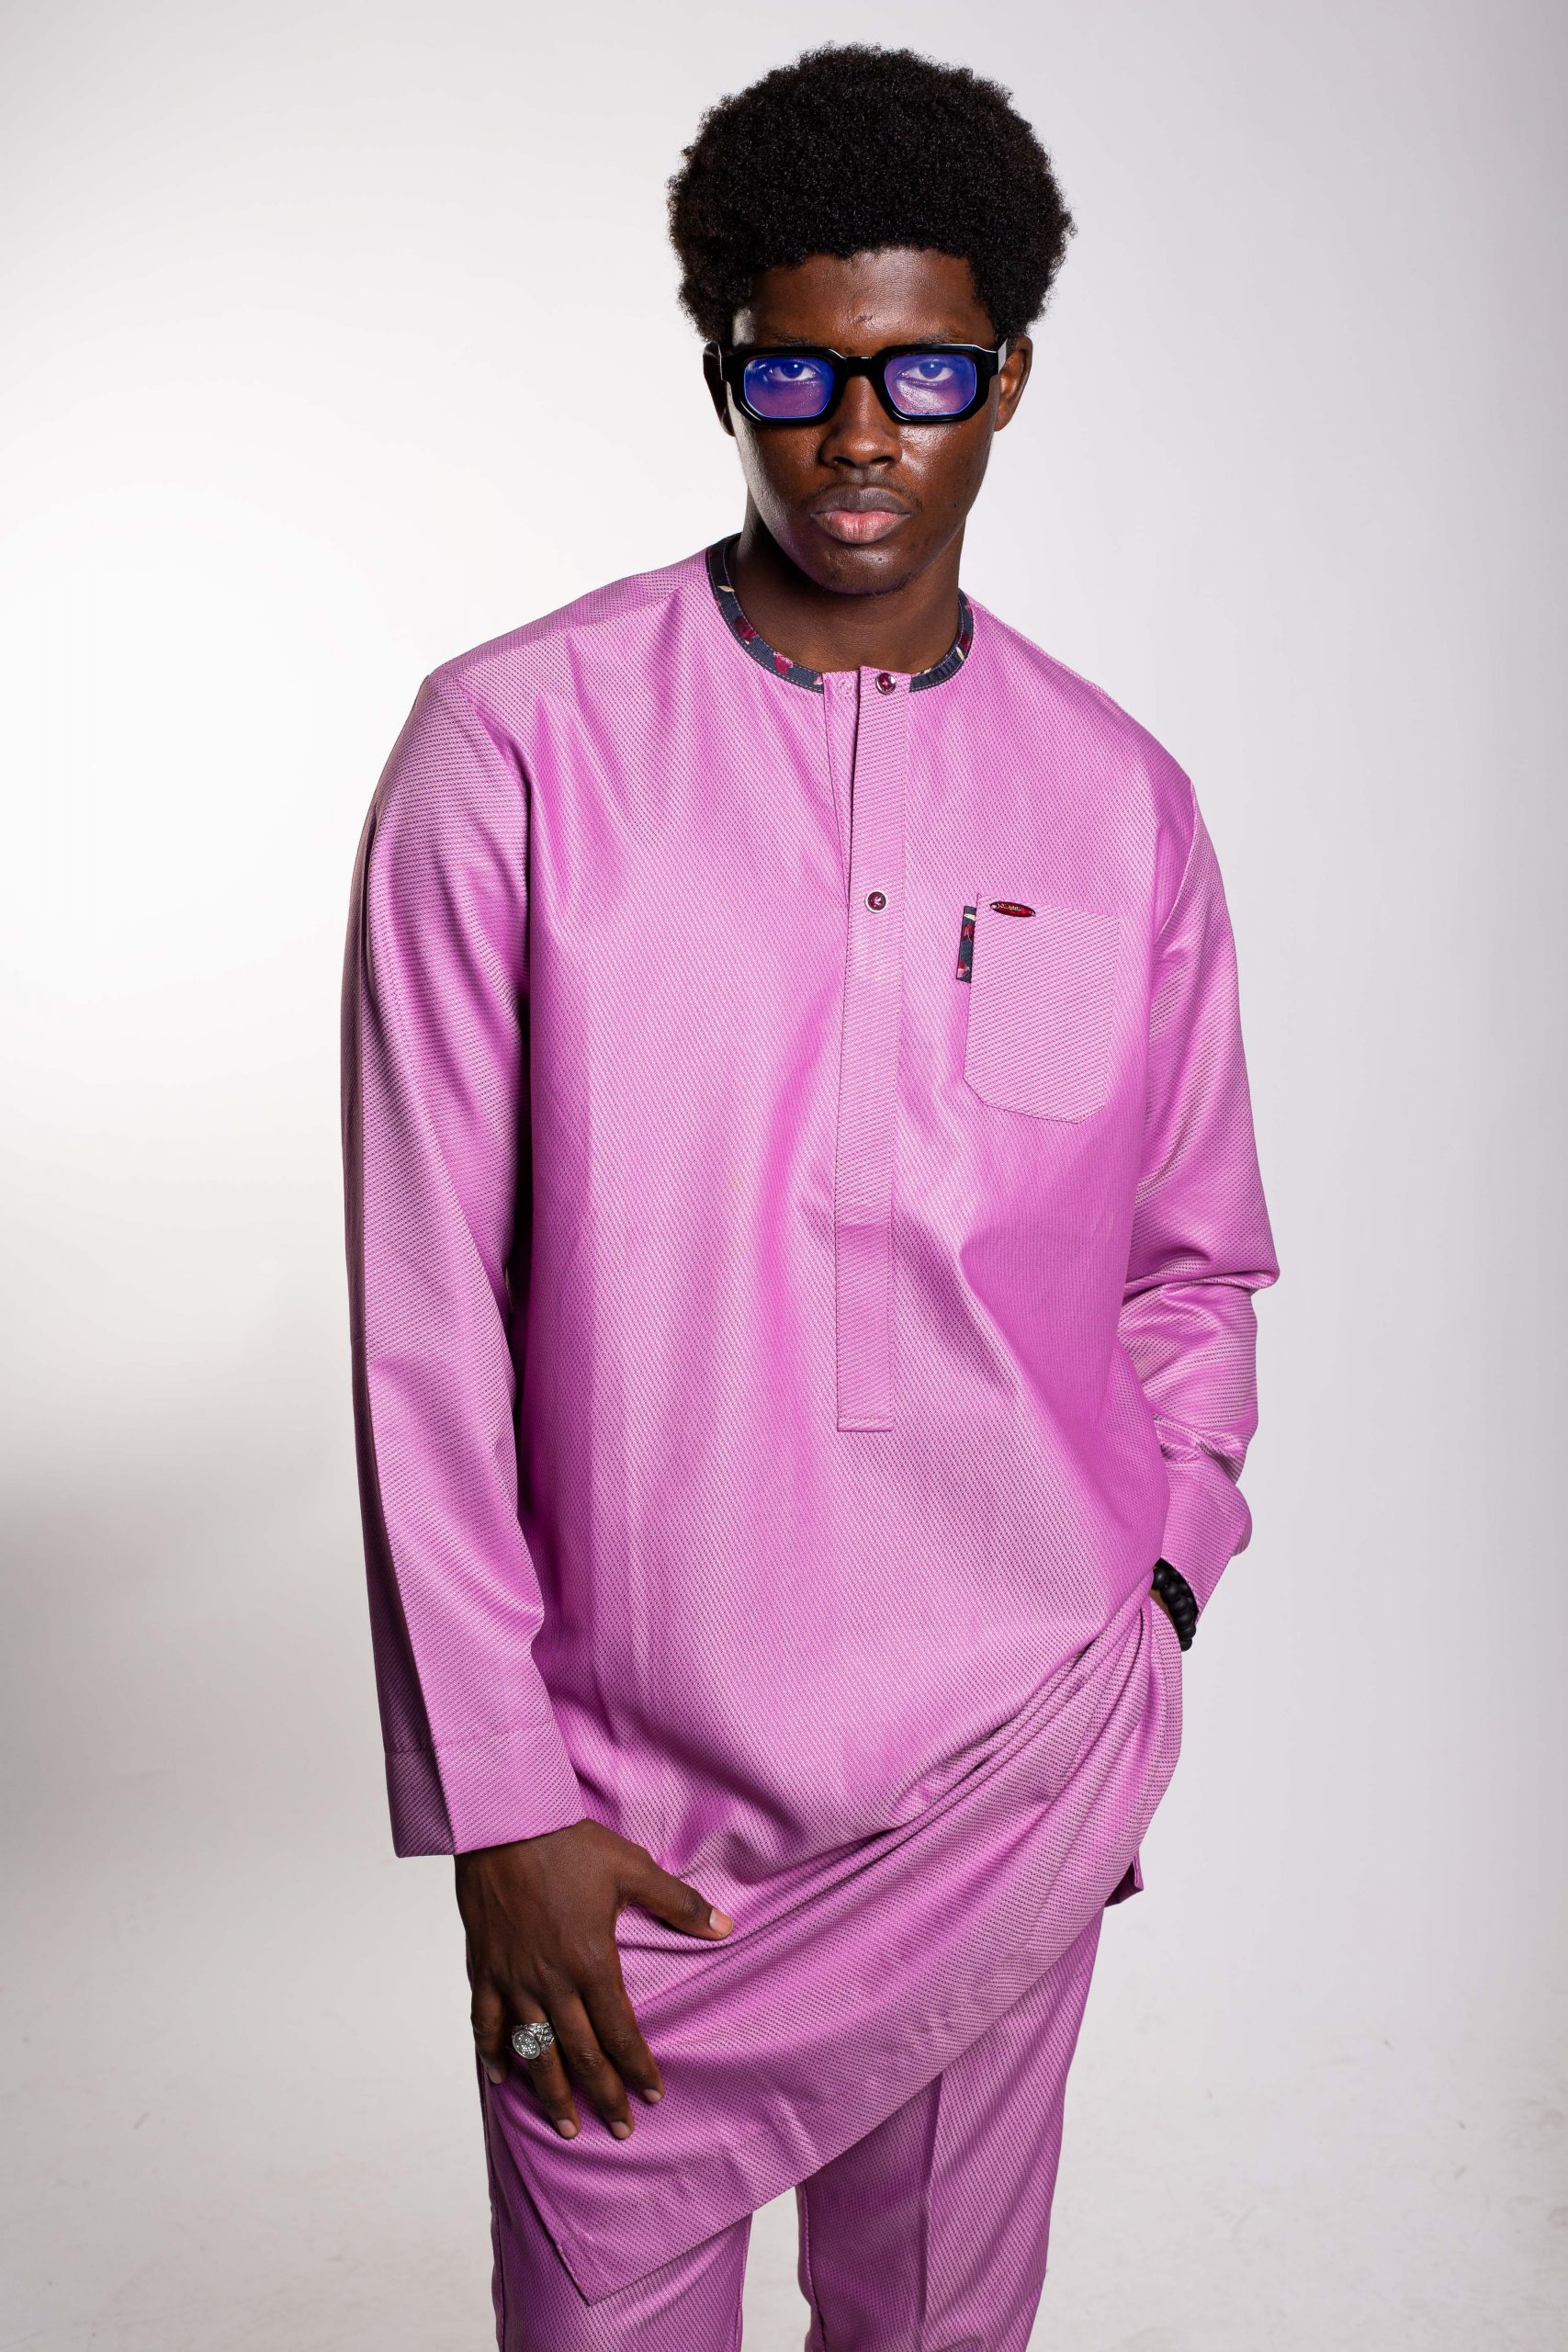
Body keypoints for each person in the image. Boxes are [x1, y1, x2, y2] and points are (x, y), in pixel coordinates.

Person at [340, 40, 1280, 2351]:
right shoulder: (514, 749)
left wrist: (1153, 1588)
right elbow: (422, 1319)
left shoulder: (1120, 800)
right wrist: (499, 1802)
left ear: (1006, 376)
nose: (861, 436)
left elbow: (1190, 1259)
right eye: (799, 372)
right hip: (624, 1832)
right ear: (724, 375)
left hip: (1005, 1775)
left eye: (922, 371)